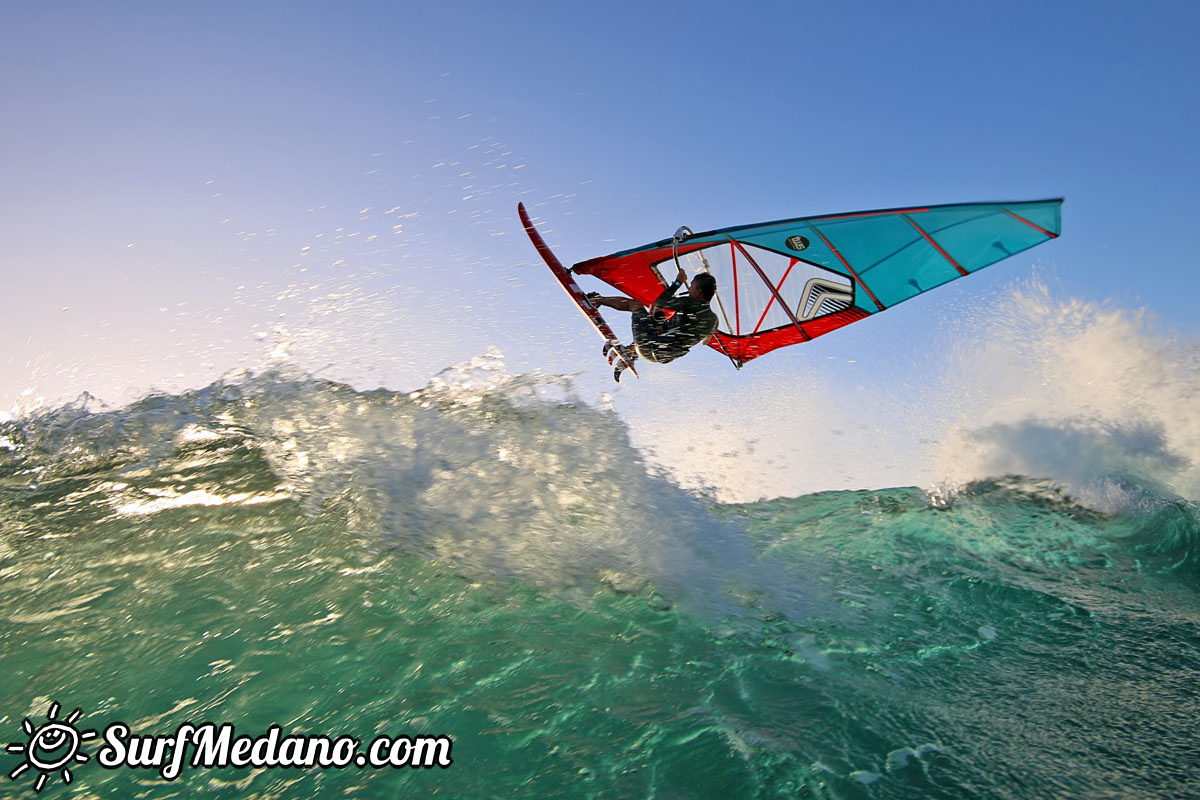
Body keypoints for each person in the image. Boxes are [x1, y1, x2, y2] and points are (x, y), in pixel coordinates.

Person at [588, 265, 719, 365]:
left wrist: (677, 282)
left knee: (636, 305)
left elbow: (661, 301)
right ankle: (631, 351)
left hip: (650, 347)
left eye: (691, 286)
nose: (689, 289)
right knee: (657, 312)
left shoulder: (692, 304)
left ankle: (597, 300)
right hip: (665, 356)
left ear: (699, 291)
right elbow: (703, 341)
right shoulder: (713, 321)